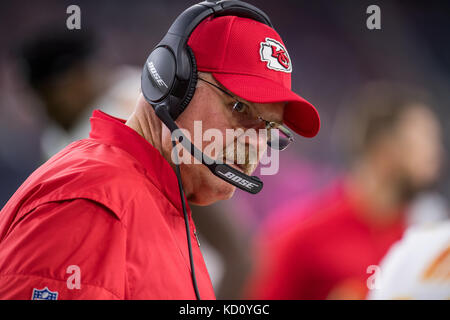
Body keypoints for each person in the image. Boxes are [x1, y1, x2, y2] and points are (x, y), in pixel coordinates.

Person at [0, 3, 320, 299]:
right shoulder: (94, 203)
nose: (254, 142)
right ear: (172, 87)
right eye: (238, 107)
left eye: (268, 127)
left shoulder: (165, 196)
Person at [245, 82, 444, 300]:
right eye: (423, 139)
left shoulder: (421, 236)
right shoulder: (302, 237)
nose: (435, 153)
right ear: (384, 148)